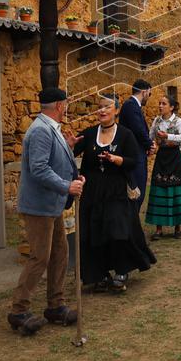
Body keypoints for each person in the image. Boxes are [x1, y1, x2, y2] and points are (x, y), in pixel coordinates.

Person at [8, 88, 85, 335]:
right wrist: (67, 186)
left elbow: (52, 161)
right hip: (39, 207)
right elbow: (39, 169)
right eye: (67, 104)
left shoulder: (50, 127)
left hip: (51, 205)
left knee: (59, 253)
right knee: (40, 257)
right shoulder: (41, 130)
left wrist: (69, 148)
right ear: (60, 106)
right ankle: (18, 310)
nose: (68, 107)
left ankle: (55, 304)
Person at [74, 94, 156, 292]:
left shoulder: (125, 134)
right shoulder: (89, 133)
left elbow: (133, 161)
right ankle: (98, 274)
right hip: (92, 191)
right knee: (93, 232)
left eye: (106, 107)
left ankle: (122, 270)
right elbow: (71, 153)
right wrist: (69, 145)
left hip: (116, 190)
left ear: (116, 110)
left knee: (118, 230)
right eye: (99, 107)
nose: (101, 110)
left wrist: (117, 160)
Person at [144, 94, 181, 239]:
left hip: (175, 158)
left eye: (164, 103)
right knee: (160, 190)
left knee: (176, 191)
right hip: (162, 158)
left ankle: (177, 228)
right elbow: (150, 137)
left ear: (172, 107)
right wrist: (151, 145)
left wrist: (167, 136)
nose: (160, 106)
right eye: (160, 103)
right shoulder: (156, 120)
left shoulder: (178, 121)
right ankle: (158, 229)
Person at [119, 79, 153, 209]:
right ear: (144, 92)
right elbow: (138, 130)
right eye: (149, 94)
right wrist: (149, 144)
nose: (148, 98)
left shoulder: (133, 105)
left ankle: (133, 225)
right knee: (137, 191)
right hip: (134, 154)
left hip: (137, 153)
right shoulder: (131, 105)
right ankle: (131, 226)